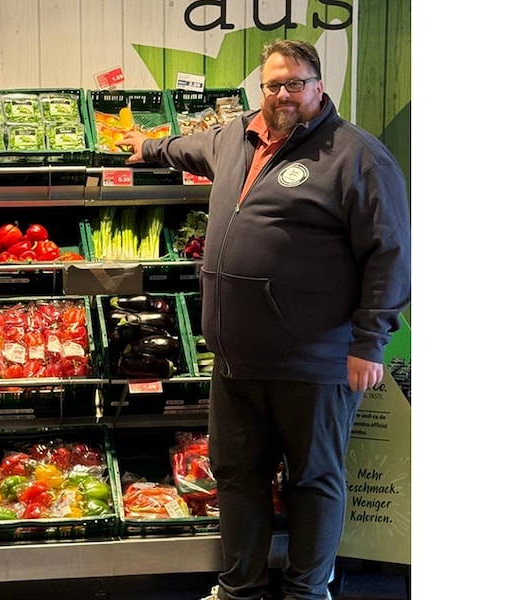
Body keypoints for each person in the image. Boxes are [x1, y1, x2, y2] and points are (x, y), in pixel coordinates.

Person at [119, 39, 410, 600]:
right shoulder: (236, 137)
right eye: (272, 85)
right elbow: (189, 147)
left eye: (295, 83)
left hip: (316, 360)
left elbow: (390, 254)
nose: (282, 95)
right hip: (236, 358)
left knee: (313, 480)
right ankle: (240, 587)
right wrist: (151, 146)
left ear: (319, 86)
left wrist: (369, 343)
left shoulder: (356, 156)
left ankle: (307, 590)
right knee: (236, 476)